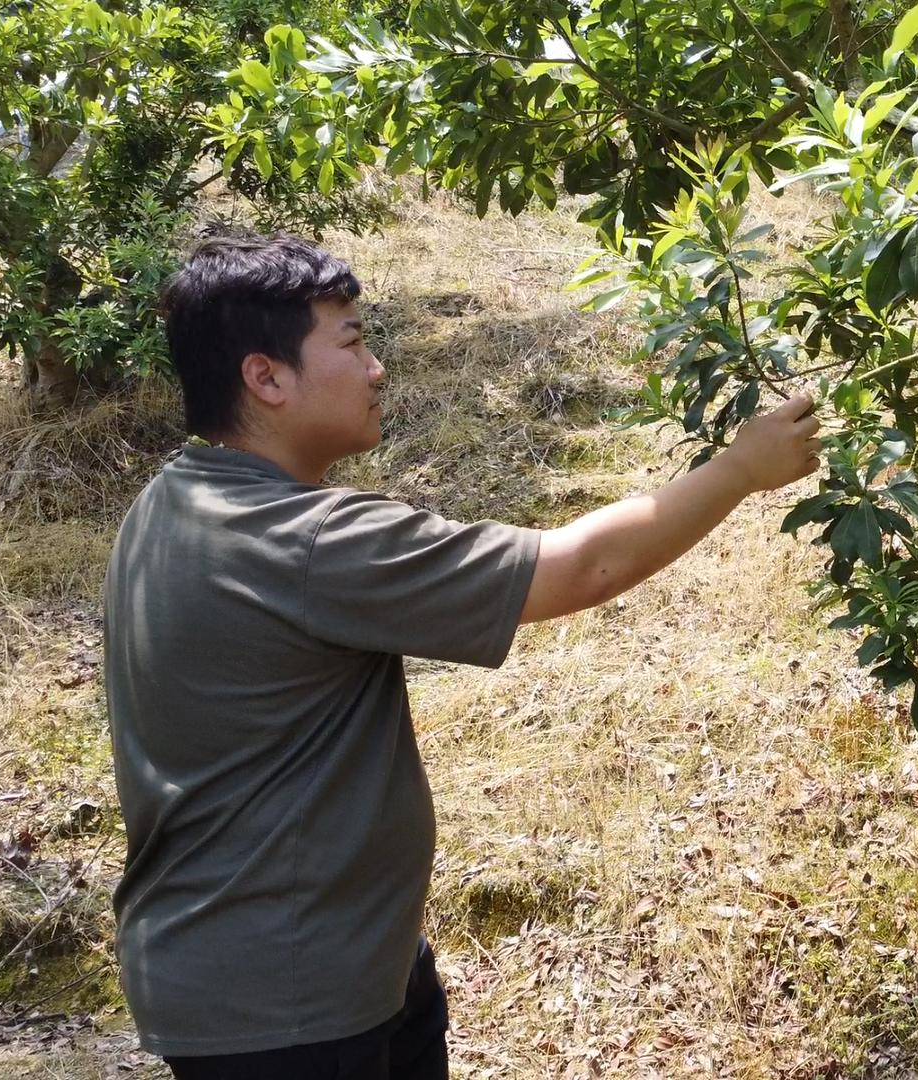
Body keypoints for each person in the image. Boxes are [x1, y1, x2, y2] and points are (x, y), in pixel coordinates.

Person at [103, 233, 821, 1080]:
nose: (376, 369)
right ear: (267, 378)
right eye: (353, 341)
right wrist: (740, 468)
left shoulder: (172, 503)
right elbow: (581, 565)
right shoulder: (305, 541)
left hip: (321, 968)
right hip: (289, 1008)